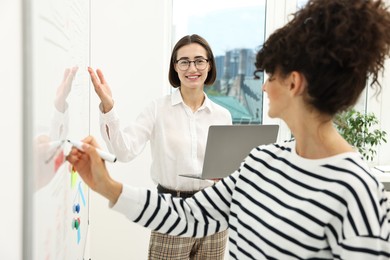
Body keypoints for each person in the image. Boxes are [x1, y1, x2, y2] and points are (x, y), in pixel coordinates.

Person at [68, 0, 390, 259]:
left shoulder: (362, 192)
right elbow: (189, 216)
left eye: (270, 76)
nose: (262, 88)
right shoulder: (260, 163)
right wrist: (107, 186)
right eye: (184, 62)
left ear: (293, 83)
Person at [87, 34, 232, 259]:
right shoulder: (158, 109)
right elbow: (123, 152)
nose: (192, 67)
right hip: (171, 209)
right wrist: (108, 106)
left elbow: (227, 168)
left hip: (213, 210)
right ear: (175, 67)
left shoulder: (223, 116)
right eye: (184, 61)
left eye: (199, 60)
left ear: (209, 64)